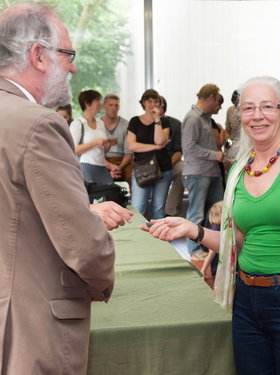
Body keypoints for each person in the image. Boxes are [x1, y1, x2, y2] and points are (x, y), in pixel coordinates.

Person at [145, 76, 280, 374]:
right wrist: (193, 230)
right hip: (247, 302)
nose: (257, 115)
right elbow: (236, 243)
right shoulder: (239, 169)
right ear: (239, 116)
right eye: (248, 108)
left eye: (267, 106)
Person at [0, 3, 131, 373]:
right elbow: (85, 246)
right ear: (38, 56)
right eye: (68, 54)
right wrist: (100, 280)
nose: (72, 66)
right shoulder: (39, 125)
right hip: (28, 325)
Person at [181, 83, 224, 258]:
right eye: (217, 101)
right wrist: (216, 155)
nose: (218, 106)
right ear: (211, 97)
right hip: (198, 173)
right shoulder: (192, 118)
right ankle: (195, 251)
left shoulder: (206, 118)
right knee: (196, 214)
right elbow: (189, 148)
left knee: (219, 212)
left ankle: (211, 248)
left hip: (211, 172)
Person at [128, 89, 173, 219]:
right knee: (138, 208)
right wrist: (155, 147)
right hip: (142, 169)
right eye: (149, 101)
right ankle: (137, 238)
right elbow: (132, 145)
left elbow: (159, 139)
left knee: (158, 209)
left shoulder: (164, 121)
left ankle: (158, 239)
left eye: (156, 101)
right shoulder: (135, 121)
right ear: (143, 103)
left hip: (163, 169)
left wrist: (157, 119)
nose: (152, 104)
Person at [70, 89, 115, 184]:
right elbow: (73, 150)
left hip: (101, 165)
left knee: (109, 192)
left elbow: (103, 149)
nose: (101, 104)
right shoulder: (78, 124)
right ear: (87, 103)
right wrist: (95, 142)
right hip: (85, 165)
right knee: (91, 195)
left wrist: (108, 143)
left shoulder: (101, 123)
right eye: (97, 101)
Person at [102, 93, 133, 190]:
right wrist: (110, 166)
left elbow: (129, 152)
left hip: (123, 161)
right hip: (104, 160)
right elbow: (96, 153)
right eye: (110, 105)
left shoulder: (126, 124)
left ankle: (134, 204)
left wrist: (119, 168)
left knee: (134, 177)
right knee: (99, 177)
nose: (114, 108)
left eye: (116, 105)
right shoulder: (98, 124)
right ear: (104, 106)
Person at [163, 96, 185, 217]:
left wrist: (167, 165)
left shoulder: (176, 124)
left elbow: (179, 150)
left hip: (172, 160)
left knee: (183, 169)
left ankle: (171, 211)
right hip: (149, 163)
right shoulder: (142, 122)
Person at [224, 90, 241, 172]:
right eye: (235, 105)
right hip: (233, 146)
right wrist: (227, 149)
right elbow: (227, 130)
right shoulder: (230, 110)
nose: (237, 107)